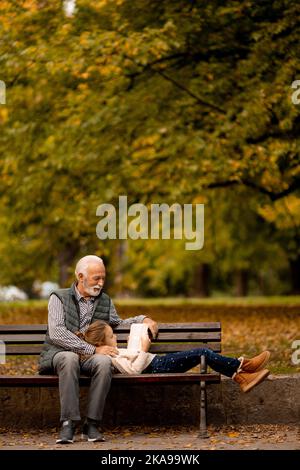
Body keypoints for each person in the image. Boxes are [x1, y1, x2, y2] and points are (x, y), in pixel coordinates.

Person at [38, 255, 158, 444]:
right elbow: (57, 333)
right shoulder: (58, 297)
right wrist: (92, 349)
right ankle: (68, 423)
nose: (101, 283)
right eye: (96, 278)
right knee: (70, 359)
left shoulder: (105, 301)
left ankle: (92, 424)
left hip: (91, 357)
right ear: (80, 277)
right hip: (59, 353)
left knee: (104, 362)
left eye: (103, 278)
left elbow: (118, 323)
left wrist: (143, 319)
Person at [78, 320, 270, 393]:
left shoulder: (112, 353)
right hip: (156, 366)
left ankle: (242, 373)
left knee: (201, 353)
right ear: (99, 344)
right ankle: (242, 368)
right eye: (112, 336)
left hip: (157, 363)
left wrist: (132, 345)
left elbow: (133, 361)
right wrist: (143, 347)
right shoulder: (109, 358)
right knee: (202, 352)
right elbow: (135, 370)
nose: (115, 337)